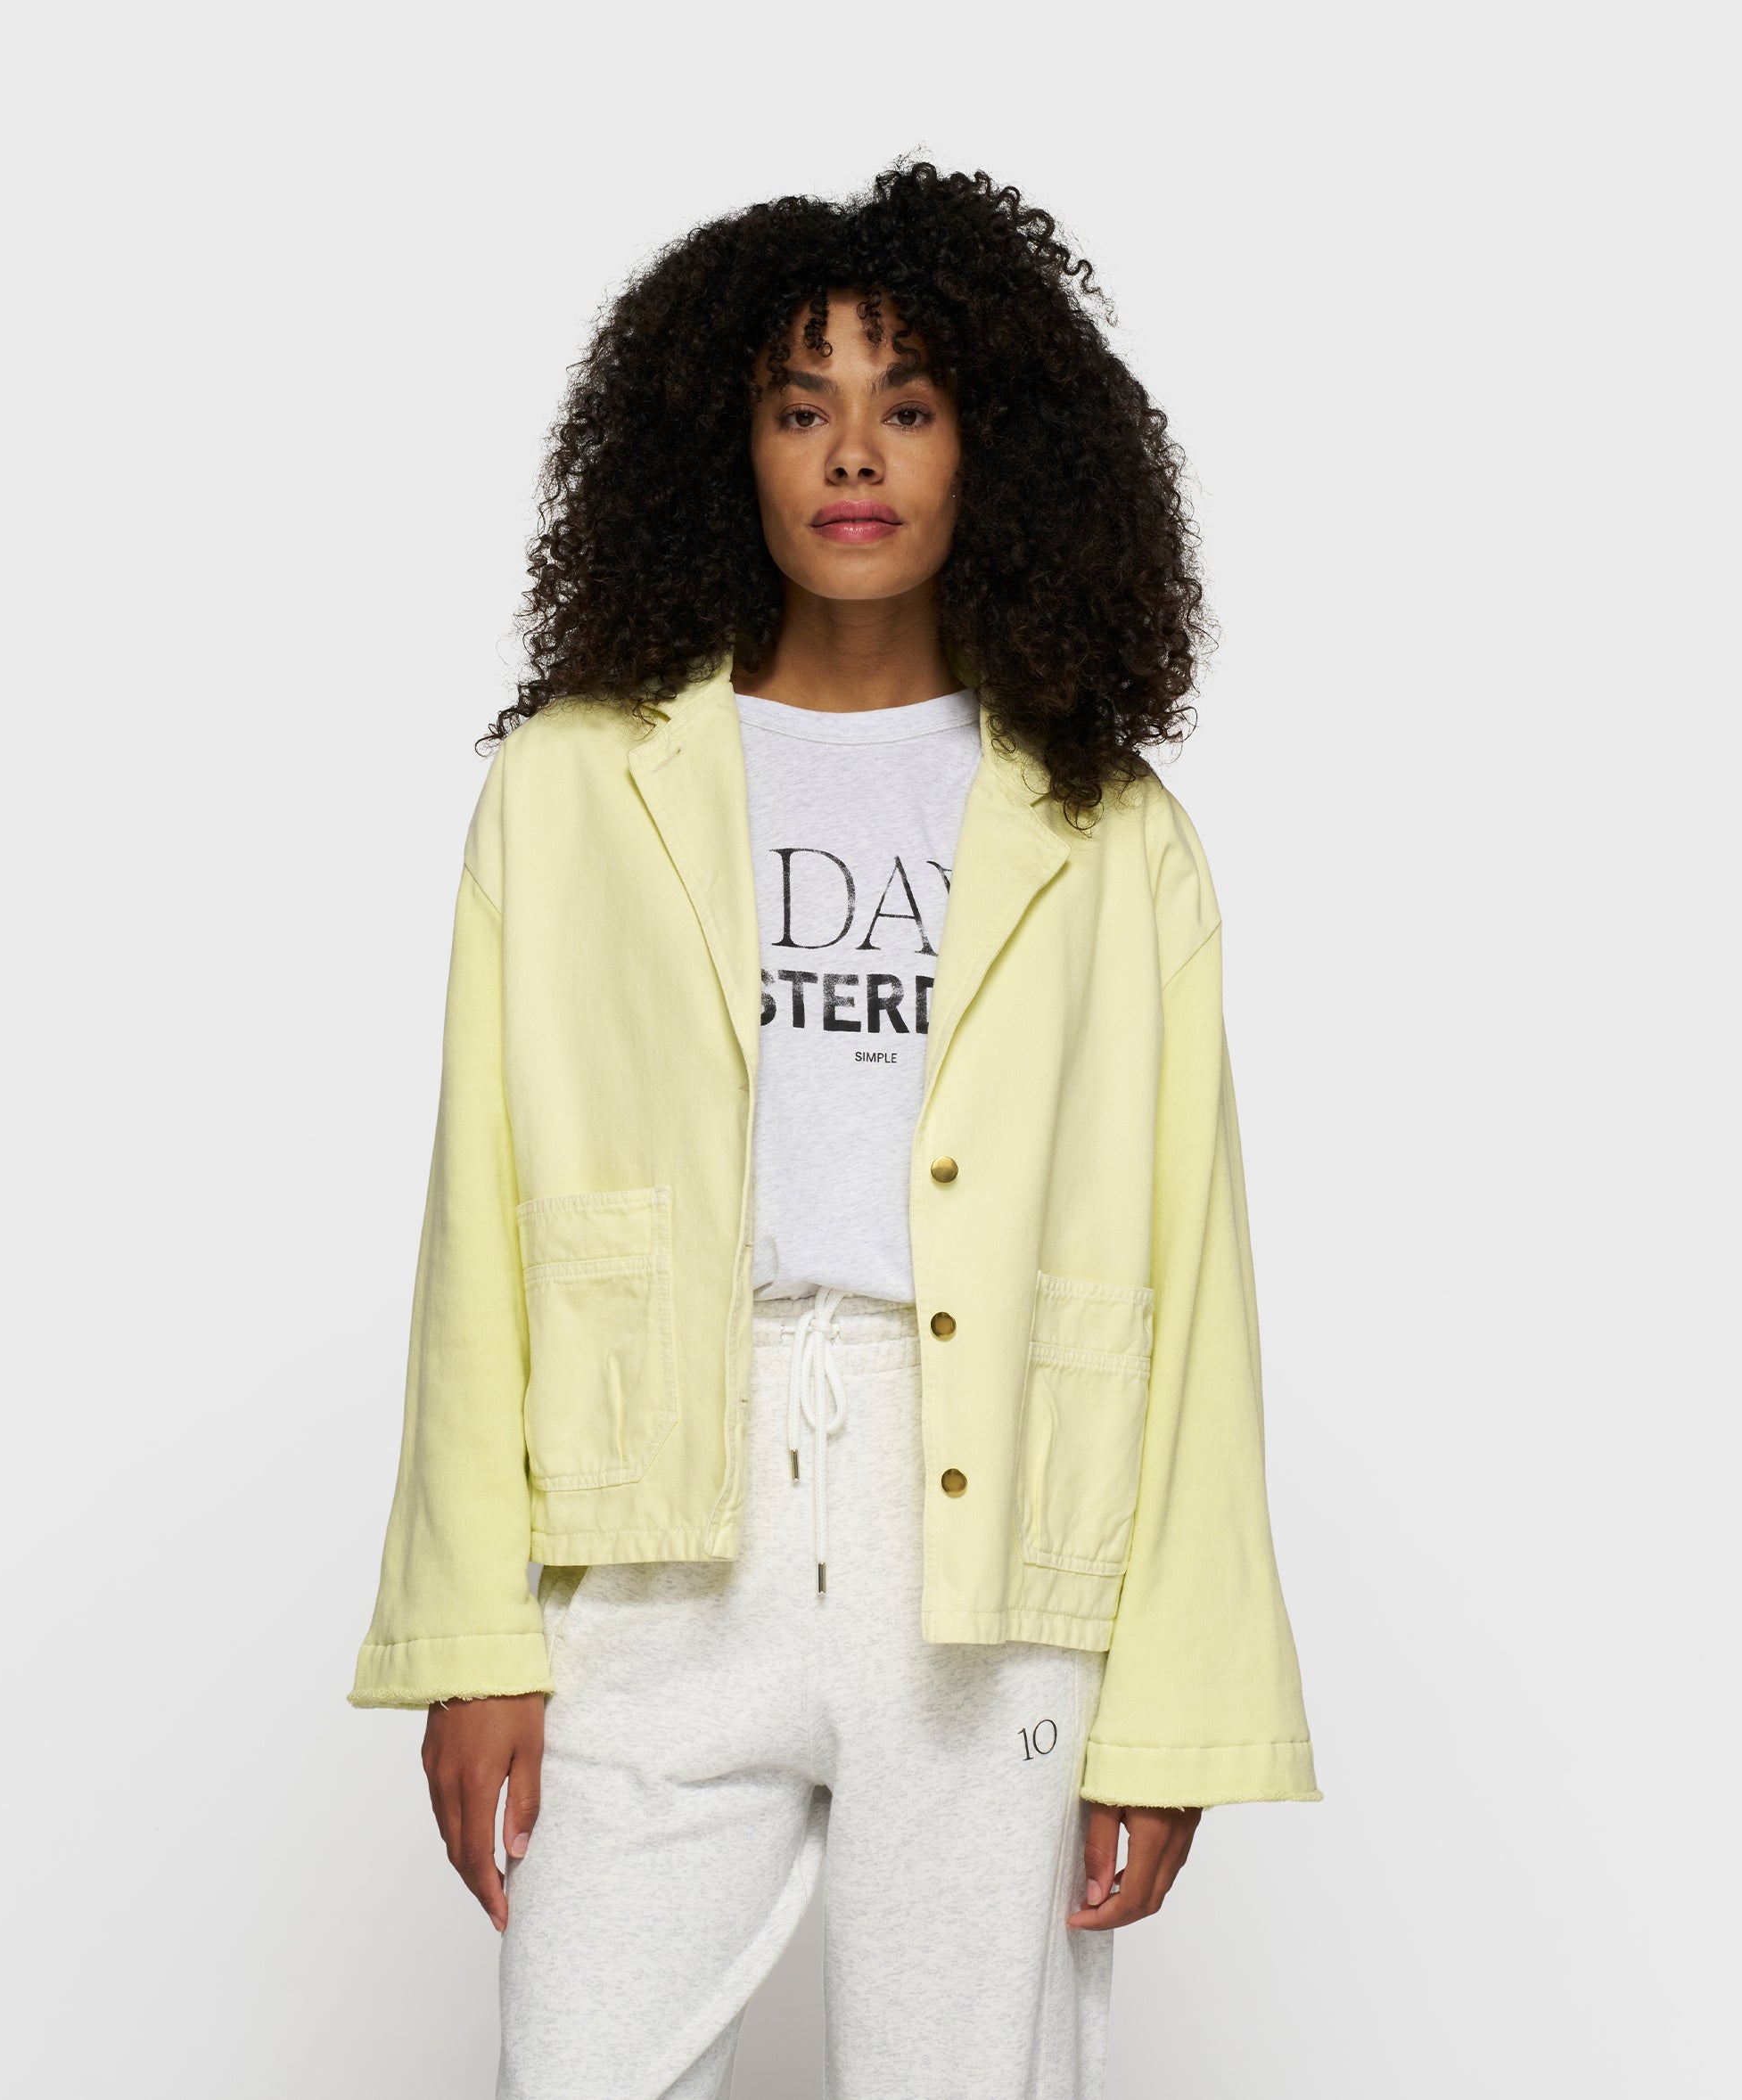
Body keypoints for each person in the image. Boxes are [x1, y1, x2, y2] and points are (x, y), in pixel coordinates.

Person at [351, 161, 1319, 2099]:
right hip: (655, 1521)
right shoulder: (569, 787)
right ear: (729, 449)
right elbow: (482, 1216)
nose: (853, 454)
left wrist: (1173, 1712)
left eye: (909, 404)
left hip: (987, 1536)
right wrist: (472, 1636)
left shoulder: (1112, 832)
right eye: (801, 407)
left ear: (990, 450)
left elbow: (1192, 1272)